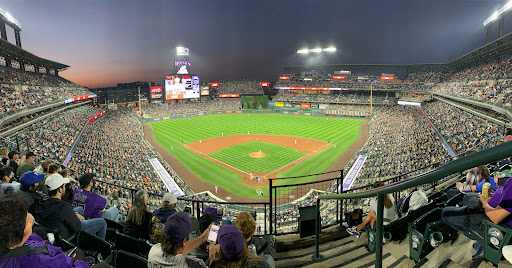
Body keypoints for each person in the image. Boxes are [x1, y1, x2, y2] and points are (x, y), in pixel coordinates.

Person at [0, 194, 91, 268]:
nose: (31, 217)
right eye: (27, 221)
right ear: (12, 242)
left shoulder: (9, 243)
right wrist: (80, 263)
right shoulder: (36, 260)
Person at [442, 175, 512, 257]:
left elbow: (495, 218)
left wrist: (484, 202)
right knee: (467, 198)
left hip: (494, 226)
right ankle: (479, 239)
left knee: (445, 214)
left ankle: (481, 239)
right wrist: (492, 198)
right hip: (493, 211)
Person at [34, 174, 107, 239]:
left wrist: (74, 214)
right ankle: (100, 249)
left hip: (54, 227)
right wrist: (76, 217)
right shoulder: (64, 207)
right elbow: (77, 227)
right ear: (60, 189)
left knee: (79, 210)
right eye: (64, 186)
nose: (65, 188)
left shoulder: (41, 202)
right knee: (102, 222)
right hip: (67, 237)